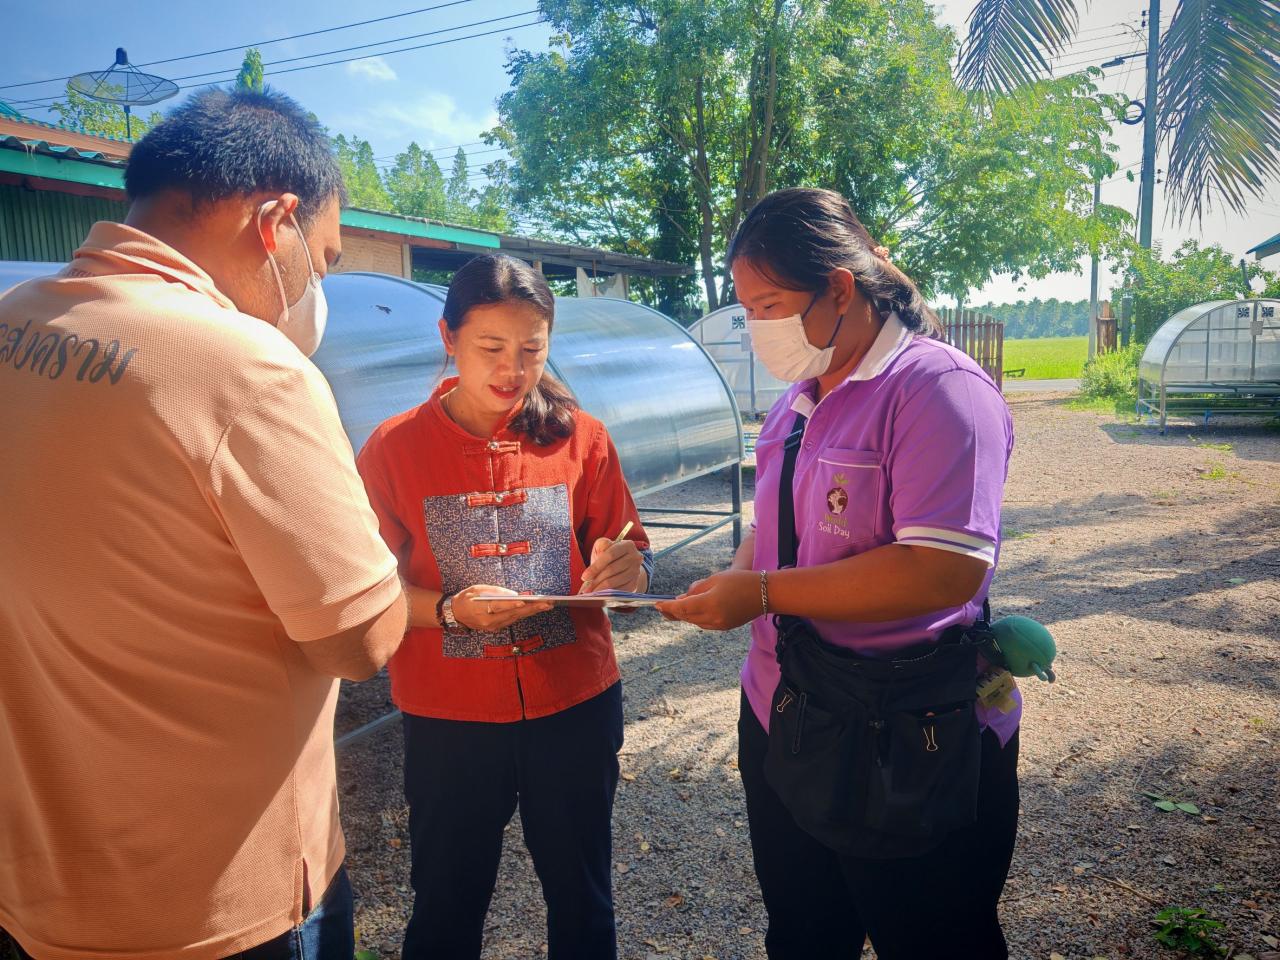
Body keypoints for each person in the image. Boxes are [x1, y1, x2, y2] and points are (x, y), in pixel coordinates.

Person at [0, 89, 406, 960]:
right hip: (220, 901)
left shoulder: (14, 325)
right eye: (324, 259)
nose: (318, 286)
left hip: (36, 883)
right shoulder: (245, 368)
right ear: (275, 222)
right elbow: (359, 640)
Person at [657, 187, 1018, 959]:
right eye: (747, 308)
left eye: (772, 304)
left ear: (841, 289)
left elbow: (942, 569)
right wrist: (734, 576)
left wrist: (759, 594)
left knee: (931, 935)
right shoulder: (797, 404)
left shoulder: (936, 390)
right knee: (804, 930)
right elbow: (772, 525)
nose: (759, 328)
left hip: (908, 728)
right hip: (784, 711)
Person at [355, 253, 652, 960]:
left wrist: (629, 570)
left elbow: (630, 564)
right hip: (450, 719)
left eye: (531, 350)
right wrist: (453, 611)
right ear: (447, 338)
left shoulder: (584, 439)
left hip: (574, 705)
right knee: (446, 901)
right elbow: (369, 589)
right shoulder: (394, 450)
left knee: (583, 897)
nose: (511, 370)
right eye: (490, 348)